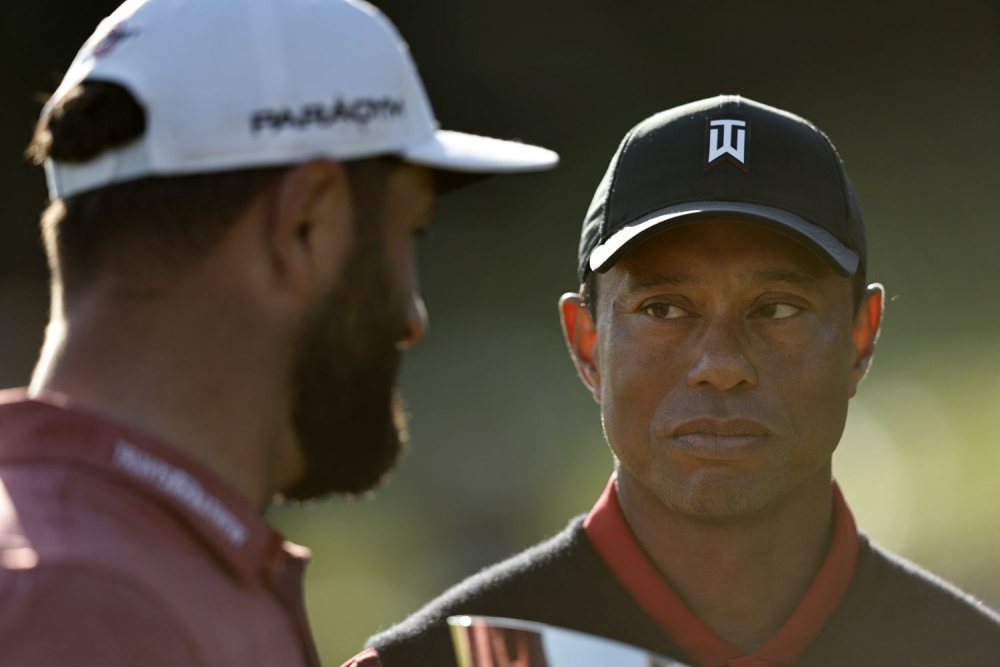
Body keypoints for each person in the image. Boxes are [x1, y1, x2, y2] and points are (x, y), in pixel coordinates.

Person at [0, 0, 558, 664]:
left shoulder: (134, 566)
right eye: (408, 235)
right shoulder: (90, 605)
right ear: (304, 226)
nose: (413, 318)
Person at [352, 96, 1000, 667]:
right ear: (587, 344)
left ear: (862, 337)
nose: (720, 363)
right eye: (663, 308)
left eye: (776, 308)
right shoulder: (442, 663)